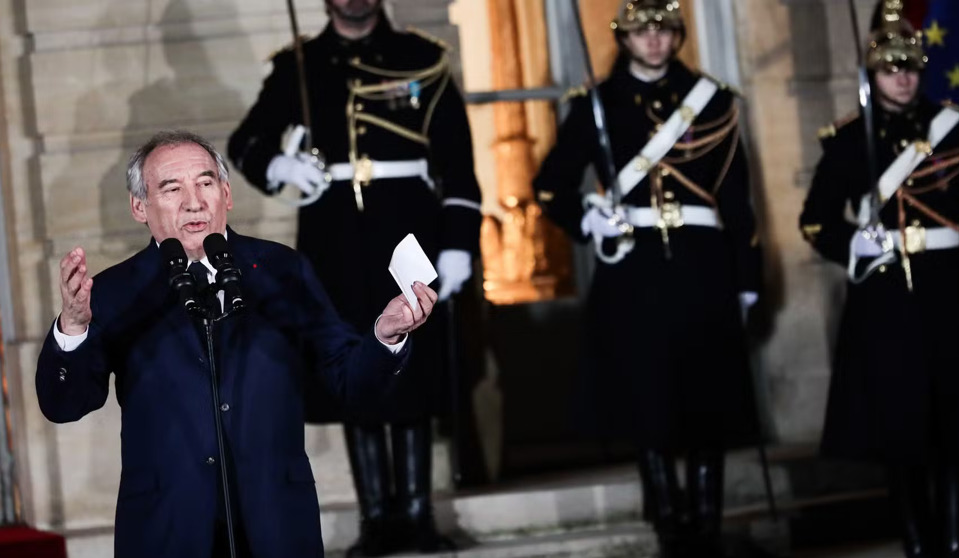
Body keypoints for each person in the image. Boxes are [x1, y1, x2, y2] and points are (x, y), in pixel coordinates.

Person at [35, 130, 439, 558]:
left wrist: (385, 336)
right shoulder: (116, 290)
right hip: (167, 529)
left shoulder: (282, 269)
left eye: (206, 183)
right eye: (172, 189)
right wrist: (72, 328)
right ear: (140, 207)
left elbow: (348, 379)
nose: (194, 201)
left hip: (276, 525)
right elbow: (64, 404)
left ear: (226, 194)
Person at [227, 0, 480, 554]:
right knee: (349, 363)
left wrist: (460, 243)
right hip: (333, 238)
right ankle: (377, 518)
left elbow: (459, 162)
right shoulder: (301, 63)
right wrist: (278, 166)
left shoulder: (422, 58)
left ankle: (417, 515)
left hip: (409, 228)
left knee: (411, 367)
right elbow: (245, 143)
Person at [532, 1, 762, 555]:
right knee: (646, 398)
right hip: (632, 271)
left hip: (703, 265)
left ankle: (705, 525)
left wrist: (748, 277)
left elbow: (738, 199)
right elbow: (550, 185)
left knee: (706, 400)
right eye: (642, 31)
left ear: (679, 35)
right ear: (624, 39)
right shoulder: (595, 104)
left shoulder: (715, 103)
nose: (654, 41)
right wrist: (587, 215)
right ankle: (669, 525)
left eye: (664, 30)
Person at [800, 3, 959, 556]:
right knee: (902, 437)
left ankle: (958, 545)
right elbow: (814, 220)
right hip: (885, 302)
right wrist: (853, 245)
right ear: (872, 72)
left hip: (952, 296)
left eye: (910, 66)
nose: (902, 77)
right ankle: (919, 546)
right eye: (890, 68)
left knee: (957, 435)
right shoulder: (846, 141)